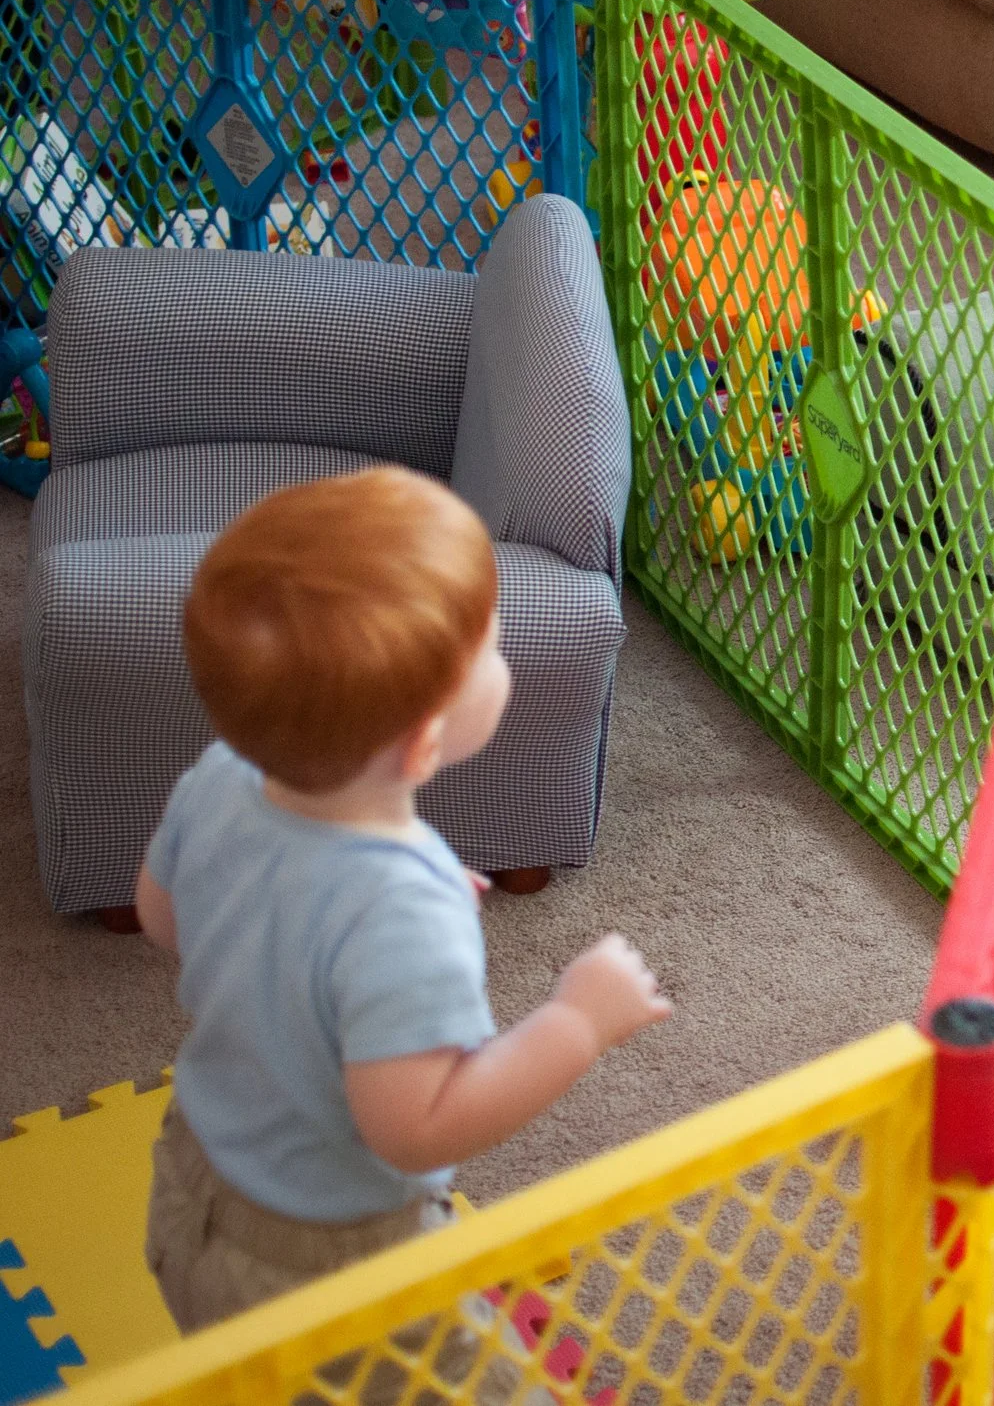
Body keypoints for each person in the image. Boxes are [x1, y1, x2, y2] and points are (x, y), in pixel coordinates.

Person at [134, 466, 672, 1334]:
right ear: (425, 742)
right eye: (493, 648)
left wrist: (329, 938)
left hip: (193, 1183)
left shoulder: (220, 777)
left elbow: (165, 918)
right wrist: (578, 1021)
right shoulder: (405, 910)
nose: (506, 655)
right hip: (333, 1260)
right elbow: (418, 1128)